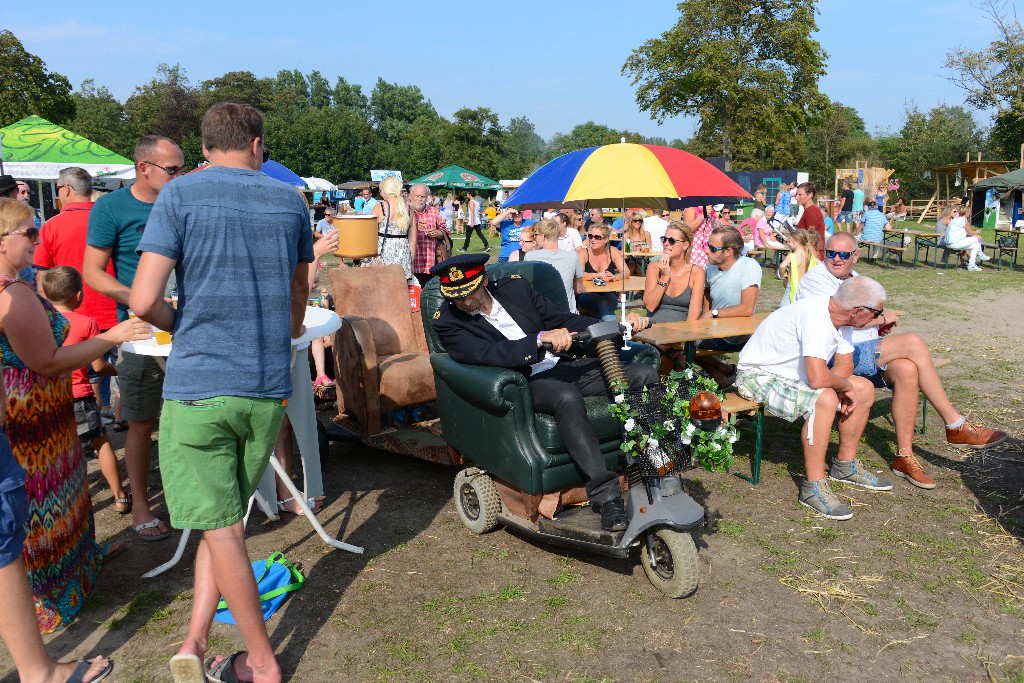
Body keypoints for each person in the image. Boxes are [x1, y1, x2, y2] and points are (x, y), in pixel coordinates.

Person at [130, 101, 312, 683]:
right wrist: (284, 330)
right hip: (263, 386)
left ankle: (261, 662)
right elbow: (299, 287)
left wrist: (176, 318)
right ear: (257, 145)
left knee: (220, 524)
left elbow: (141, 301)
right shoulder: (290, 200)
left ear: (204, 147)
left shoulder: (178, 197)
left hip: (199, 385)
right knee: (225, 521)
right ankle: (197, 636)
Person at [0, 199, 149, 631]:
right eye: (29, 232)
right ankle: (54, 595)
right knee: (45, 500)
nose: (38, 238)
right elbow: (47, 361)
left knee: (63, 491)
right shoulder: (11, 294)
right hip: (33, 414)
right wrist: (112, 336)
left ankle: (76, 568)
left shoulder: (19, 283)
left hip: (41, 411)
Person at [429, 253, 656, 531]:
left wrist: (618, 328)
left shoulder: (515, 288)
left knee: (644, 375)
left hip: (563, 365)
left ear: (484, 280)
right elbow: (487, 353)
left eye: (470, 291)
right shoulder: (447, 320)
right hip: (523, 380)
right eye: (456, 296)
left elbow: (561, 318)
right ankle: (607, 496)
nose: (464, 302)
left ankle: (653, 465)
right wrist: (538, 340)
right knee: (566, 396)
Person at [795, 232, 1007, 487]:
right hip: (828, 359)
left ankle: (904, 456)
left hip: (856, 351)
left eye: (843, 254)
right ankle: (955, 424)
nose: (836, 259)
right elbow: (846, 319)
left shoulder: (855, 279)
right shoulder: (817, 280)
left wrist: (877, 325)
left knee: (906, 369)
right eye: (831, 253)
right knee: (912, 342)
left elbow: (864, 318)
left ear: (856, 256)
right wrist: (882, 319)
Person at [84, 134, 183, 542]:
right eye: (172, 169)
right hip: (143, 332)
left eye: (182, 168)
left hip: (188, 325)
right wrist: (141, 300)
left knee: (187, 417)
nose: (179, 176)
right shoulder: (111, 207)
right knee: (141, 422)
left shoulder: (180, 201)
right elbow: (92, 272)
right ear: (144, 168)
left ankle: (191, 499)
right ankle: (141, 506)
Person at [737, 276, 888, 520]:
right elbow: (818, 380)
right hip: (758, 374)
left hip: (795, 377)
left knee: (864, 389)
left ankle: (844, 466)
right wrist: (838, 388)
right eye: (877, 313)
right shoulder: (816, 316)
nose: (878, 319)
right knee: (825, 399)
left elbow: (845, 364)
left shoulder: (843, 319)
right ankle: (813, 486)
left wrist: (841, 386)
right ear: (858, 310)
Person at [0, 371, 115, 682]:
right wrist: (109, 339)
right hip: (25, 425)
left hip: (46, 423)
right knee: (6, 544)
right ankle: (41, 673)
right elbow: (44, 358)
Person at [38, 267, 130, 515]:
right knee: (101, 443)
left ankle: (66, 504)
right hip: (80, 396)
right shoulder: (87, 322)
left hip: (51, 399)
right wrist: (121, 372)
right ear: (79, 296)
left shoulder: (41, 322)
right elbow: (99, 366)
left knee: (61, 453)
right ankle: (120, 497)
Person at [33, 167, 120, 416]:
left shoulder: (51, 227)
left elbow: (42, 277)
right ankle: (119, 415)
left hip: (73, 315)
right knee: (123, 372)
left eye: (58, 189)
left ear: (67, 189)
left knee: (84, 375)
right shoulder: (111, 218)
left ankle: (97, 418)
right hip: (116, 310)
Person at [695, 226, 762, 387]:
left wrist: (713, 313)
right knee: (680, 343)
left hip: (739, 334)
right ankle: (723, 372)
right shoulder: (710, 267)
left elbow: (746, 309)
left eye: (712, 248)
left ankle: (722, 375)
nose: (706, 251)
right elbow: (707, 293)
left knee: (685, 346)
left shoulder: (748, 266)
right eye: (706, 245)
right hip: (715, 330)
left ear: (728, 251)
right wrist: (705, 316)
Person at [644, 222, 705, 325]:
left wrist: (684, 338)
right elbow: (650, 306)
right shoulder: (654, 267)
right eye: (664, 239)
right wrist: (664, 277)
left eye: (672, 241)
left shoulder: (696, 272)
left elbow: (693, 315)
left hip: (680, 331)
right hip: (653, 329)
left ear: (685, 245)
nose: (666, 244)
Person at [524, 219, 583, 313]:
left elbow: (527, 288)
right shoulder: (573, 257)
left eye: (535, 235)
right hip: (567, 314)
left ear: (543, 237)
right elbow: (579, 289)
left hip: (542, 312)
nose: (534, 239)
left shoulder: (530, 256)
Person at [367, 175, 416, 282]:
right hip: (403, 255)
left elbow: (370, 235)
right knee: (400, 291)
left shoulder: (380, 206)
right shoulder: (408, 209)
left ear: (385, 191)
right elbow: (412, 241)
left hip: (384, 254)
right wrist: (411, 262)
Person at [576, 223, 625, 320]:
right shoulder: (583, 252)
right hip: (586, 293)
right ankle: (612, 332)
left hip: (609, 293)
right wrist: (597, 275)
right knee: (603, 303)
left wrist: (615, 277)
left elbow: (626, 272)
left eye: (597, 237)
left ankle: (606, 331)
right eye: (590, 236)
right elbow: (579, 274)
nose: (592, 239)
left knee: (605, 302)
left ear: (606, 239)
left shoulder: (613, 251)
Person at [409, 184, 450, 287]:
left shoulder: (434, 211)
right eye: (416, 196)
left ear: (427, 197)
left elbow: (445, 230)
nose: (419, 199)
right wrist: (414, 226)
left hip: (430, 262)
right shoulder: (404, 211)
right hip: (411, 262)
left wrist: (438, 233)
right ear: (411, 195)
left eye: (422, 196)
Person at [778, 229, 820, 307]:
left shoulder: (792, 256)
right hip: (805, 287)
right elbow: (821, 266)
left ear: (797, 242)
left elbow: (782, 266)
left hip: (792, 287)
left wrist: (782, 275)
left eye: (789, 241)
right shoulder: (810, 257)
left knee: (783, 310)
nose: (788, 244)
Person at [943, 204, 988, 271]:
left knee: (975, 245)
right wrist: (977, 232)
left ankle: (971, 265)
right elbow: (970, 232)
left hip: (949, 243)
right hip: (955, 243)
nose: (969, 214)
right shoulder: (964, 220)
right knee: (976, 239)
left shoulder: (955, 219)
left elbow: (967, 233)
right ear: (966, 213)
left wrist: (974, 234)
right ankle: (980, 254)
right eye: (969, 212)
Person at [795, 182, 827, 260]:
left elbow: (812, 236)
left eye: (800, 195)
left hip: (813, 254)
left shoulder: (811, 211)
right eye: (796, 194)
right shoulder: (811, 210)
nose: (796, 197)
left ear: (810, 195)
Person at [623, 210, 653, 275]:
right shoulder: (626, 235)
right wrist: (631, 252)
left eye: (640, 220)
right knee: (632, 264)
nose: (638, 222)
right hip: (629, 260)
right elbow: (623, 253)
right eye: (635, 220)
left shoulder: (646, 234)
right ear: (631, 222)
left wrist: (642, 250)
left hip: (643, 259)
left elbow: (650, 252)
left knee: (639, 267)